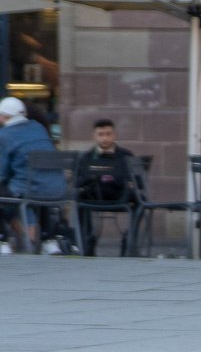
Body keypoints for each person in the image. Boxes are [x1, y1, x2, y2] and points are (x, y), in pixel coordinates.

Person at [0, 96, 63, 254]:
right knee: (41, 188)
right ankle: (49, 240)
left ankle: (3, 241)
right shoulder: (38, 128)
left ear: (4, 116)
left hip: (27, 189)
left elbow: (1, 173)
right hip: (57, 189)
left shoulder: (4, 135)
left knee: (6, 193)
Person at [76, 118, 138, 256]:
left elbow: (136, 180)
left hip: (119, 194)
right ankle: (87, 241)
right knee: (78, 197)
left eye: (108, 134)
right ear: (94, 136)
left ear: (114, 135)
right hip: (94, 195)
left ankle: (129, 240)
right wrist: (92, 176)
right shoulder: (86, 157)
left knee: (140, 199)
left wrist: (123, 180)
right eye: (101, 134)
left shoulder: (126, 156)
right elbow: (78, 181)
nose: (105, 138)